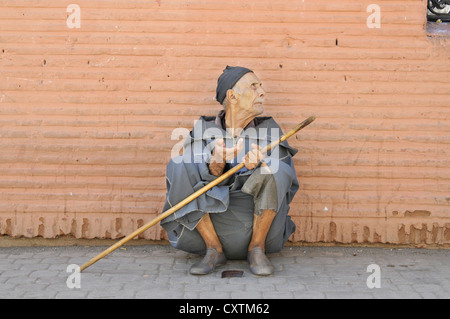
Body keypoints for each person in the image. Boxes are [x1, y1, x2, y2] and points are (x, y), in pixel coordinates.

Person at [160, 66, 299, 276]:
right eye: (254, 86)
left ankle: (256, 249)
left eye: (260, 86)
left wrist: (261, 166)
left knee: (274, 168)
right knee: (178, 165)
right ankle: (214, 249)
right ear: (232, 96)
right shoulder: (203, 131)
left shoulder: (270, 130)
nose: (262, 92)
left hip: (258, 223)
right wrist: (216, 163)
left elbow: (285, 180)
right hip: (209, 226)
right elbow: (187, 179)